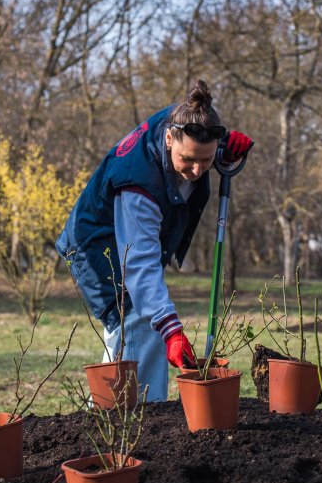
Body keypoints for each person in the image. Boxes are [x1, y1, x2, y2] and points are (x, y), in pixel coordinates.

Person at [56, 80, 253, 402]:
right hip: (95, 245)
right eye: (188, 159)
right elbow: (139, 266)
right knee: (138, 321)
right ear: (168, 139)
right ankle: (139, 421)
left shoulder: (185, 118)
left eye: (206, 161)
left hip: (128, 240)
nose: (196, 169)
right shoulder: (138, 187)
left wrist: (224, 146)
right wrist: (172, 330)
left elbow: (199, 136)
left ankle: (104, 415)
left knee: (131, 332)